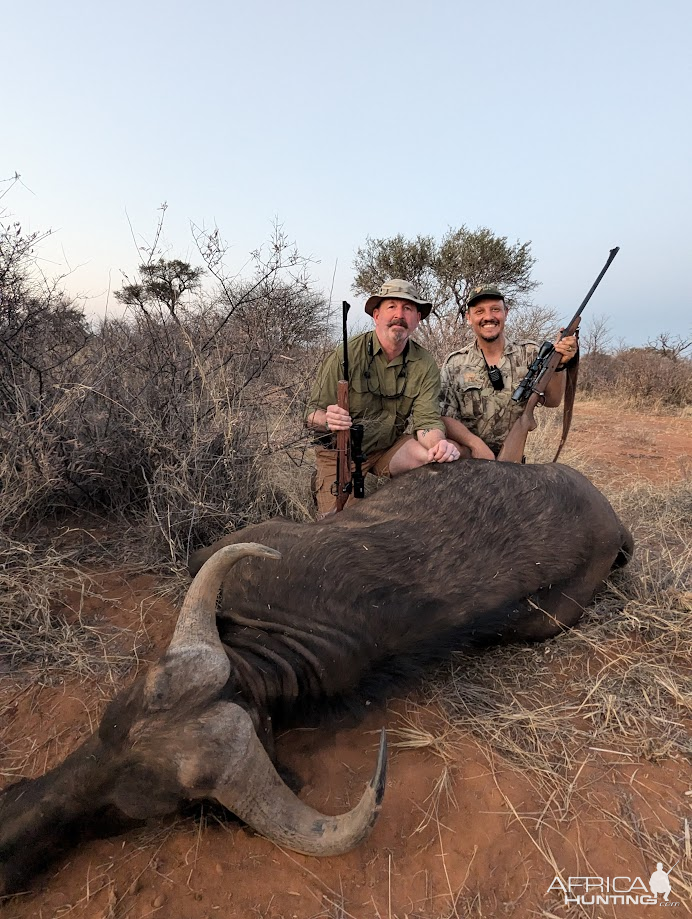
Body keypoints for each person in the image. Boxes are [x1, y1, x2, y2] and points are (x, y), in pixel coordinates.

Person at [305, 278, 460, 515]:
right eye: (392, 307)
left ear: (417, 319)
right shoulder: (346, 354)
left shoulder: (425, 363)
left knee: (430, 461)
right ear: (376, 315)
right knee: (333, 523)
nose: (399, 314)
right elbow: (311, 413)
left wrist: (438, 444)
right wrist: (328, 420)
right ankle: (325, 483)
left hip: (387, 448)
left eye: (408, 308)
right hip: (340, 451)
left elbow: (427, 421)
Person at [440, 284, 578, 459]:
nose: (488, 317)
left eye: (495, 309)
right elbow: (444, 416)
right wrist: (476, 445)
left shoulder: (532, 354)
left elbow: (553, 401)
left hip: (513, 462)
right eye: (480, 311)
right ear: (469, 317)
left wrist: (559, 363)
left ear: (506, 312)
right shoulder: (455, 363)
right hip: (469, 459)